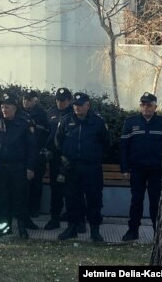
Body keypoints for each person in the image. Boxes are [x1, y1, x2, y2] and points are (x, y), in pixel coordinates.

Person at [56, 92, 110, 242]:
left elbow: (106, 143)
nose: (77, 108)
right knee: (72, 199)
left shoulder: (98, 122)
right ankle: (72, 228)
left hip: (91, 167)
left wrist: (94, 156)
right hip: (72, 167)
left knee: (94, 199)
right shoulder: (66, 121)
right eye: (75, 105)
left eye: (80, 105)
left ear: (88, 105)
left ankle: (95, 230)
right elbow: (58, 141)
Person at [120, 92, 162, 241]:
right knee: (136, 201)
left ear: (155, 107)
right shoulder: (130, 122)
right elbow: (123, 147)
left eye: (149, 105)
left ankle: (157, 232)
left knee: (155, 201)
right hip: (137, 169)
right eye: (143, 104)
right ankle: (133, 230)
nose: (146, 107)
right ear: (140, 106)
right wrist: (124, 168)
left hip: (156, 169)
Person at [0, 93, 37, 239]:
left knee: (20, 198)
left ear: (15, 107)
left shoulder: (25, 122)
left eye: (7, 106)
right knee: (2, 199)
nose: (4, 109)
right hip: (0, 166)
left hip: (18, 166)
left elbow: (32, 147)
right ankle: (4, 228)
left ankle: (22, 228)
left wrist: (30, 167)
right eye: (2, 106)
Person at [43, 87, 74, 230]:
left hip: (71, 159)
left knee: (72, 191)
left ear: (69, 101)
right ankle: (54, 219)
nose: (59, 103)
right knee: (55, 190)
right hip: (55, 159)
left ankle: (74, 220)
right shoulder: (50, 113)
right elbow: (46, 134)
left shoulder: (75, 113)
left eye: (63, 101)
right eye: (57, 100)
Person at [22, 90, 49, 218]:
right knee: (23, 184)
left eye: (29, 99)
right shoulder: (19, 113)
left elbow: (45, 136)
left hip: (38, 155)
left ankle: (35, 209)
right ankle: (23, 210)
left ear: (35, 100)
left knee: (36, 183)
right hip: (23, 156)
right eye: (24, 99)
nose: (25, 101)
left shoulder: (42, 114)